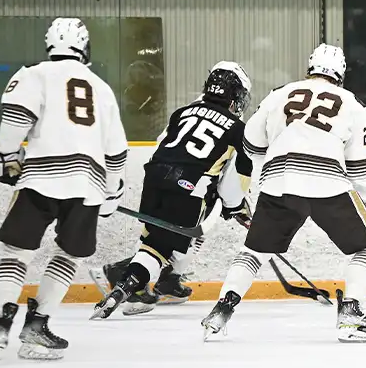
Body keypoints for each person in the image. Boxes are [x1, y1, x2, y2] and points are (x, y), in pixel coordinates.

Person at [200, 43, 366, 342]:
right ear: (341, 73)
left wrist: (272, 168)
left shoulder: (279, 93)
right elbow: (359, 168)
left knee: (253, 252)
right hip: (327, 182)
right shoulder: (352, 104)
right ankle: (352, 313)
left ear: (310, 67)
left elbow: (251, 142)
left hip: (277, 183)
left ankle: (221, 309)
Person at [0, 17, 128, 363]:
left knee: (16, 253)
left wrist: (9, 157)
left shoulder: (33, 74)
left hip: (39, 178)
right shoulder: (101, 87)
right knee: (69, 255)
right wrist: (113, 192)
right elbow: (116, 150)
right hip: (87, 185)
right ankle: (37, 328)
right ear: (84, 48)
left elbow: (14, 119)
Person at [91, 61, 255, 320]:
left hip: (154, 181)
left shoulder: (183, 112)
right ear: (235, 95)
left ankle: (162, 279)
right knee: (185, 230)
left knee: (156, 240)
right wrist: (237, 207)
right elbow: (233, 185)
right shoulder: (238, 130)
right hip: (188, 190)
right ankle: (132, 278)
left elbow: (162, 145)